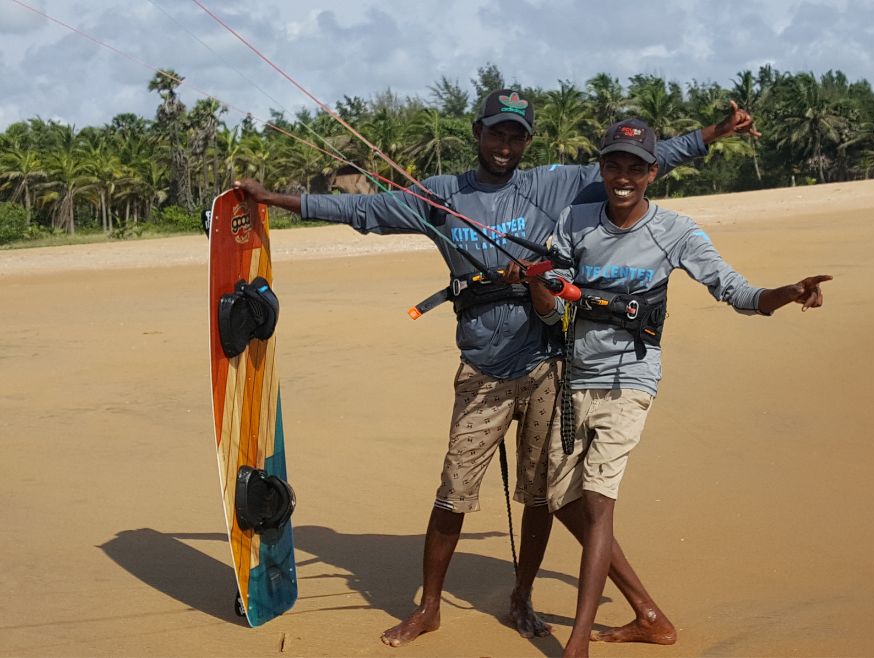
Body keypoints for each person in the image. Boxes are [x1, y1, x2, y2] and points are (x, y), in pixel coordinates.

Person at [234, 89, 759, 648]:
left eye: (516, 136)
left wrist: (709, 135)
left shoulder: (552, 185)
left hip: (546, 366)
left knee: (541, 496)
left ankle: (522, 598)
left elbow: (634, 162)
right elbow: (364, 210)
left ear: (526, 142)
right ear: (477, 133)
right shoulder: (440, 195)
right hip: (481, 371)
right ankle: (429, 608)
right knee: (452, 493)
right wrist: (276, 200)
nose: (505, 145)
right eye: (496, 133)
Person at [527, 118, 831, 657]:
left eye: (636, 167)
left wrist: (787, 292)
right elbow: (551, 310)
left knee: (598, 502)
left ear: (653, 172)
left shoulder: (677, 233)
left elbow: (736, 292)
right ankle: (649, 615)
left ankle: (576, 645)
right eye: (614, 165)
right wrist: (539, 285)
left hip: (631, 380)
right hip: (575, 375)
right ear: (602, 169)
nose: (624, 177)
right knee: (561, 499)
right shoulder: (574, 220)